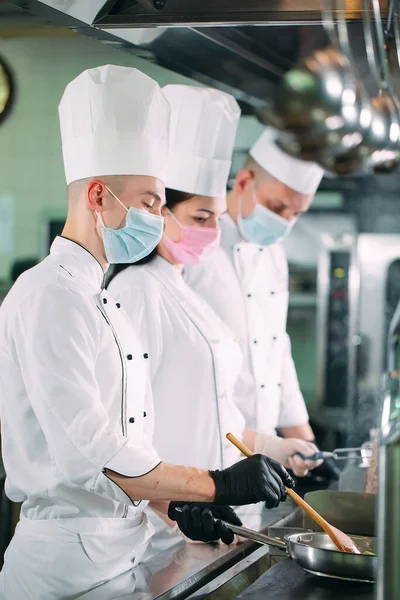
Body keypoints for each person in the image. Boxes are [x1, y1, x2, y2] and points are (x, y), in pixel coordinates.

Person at [0, 66, 293, 600]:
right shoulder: (47, 295)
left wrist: (176, 507)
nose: (158, 222)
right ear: (96, 196)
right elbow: (95, 452)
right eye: (150, 204)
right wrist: (215, 483)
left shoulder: (104, 297)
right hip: (61, 573)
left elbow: (130, 444)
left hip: (122, 557)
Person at [107, 85, 318, 557]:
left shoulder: (183, 288)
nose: (213, 234)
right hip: (165, 520)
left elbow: (231, 388)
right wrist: (176, 502)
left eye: (216, 219)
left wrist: (282, 443)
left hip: (217, 502)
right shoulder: (135, 291)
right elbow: (122, 434)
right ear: (158, 213)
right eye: (202, 216)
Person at [185, 127, 327, 475]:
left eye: (296, 213)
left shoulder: (274, 255)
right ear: (244, 182)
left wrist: (308, 448)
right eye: (277, 207)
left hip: (264, 461)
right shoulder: (194, 249)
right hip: (200, 454)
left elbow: (276, 348)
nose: (284, 222)